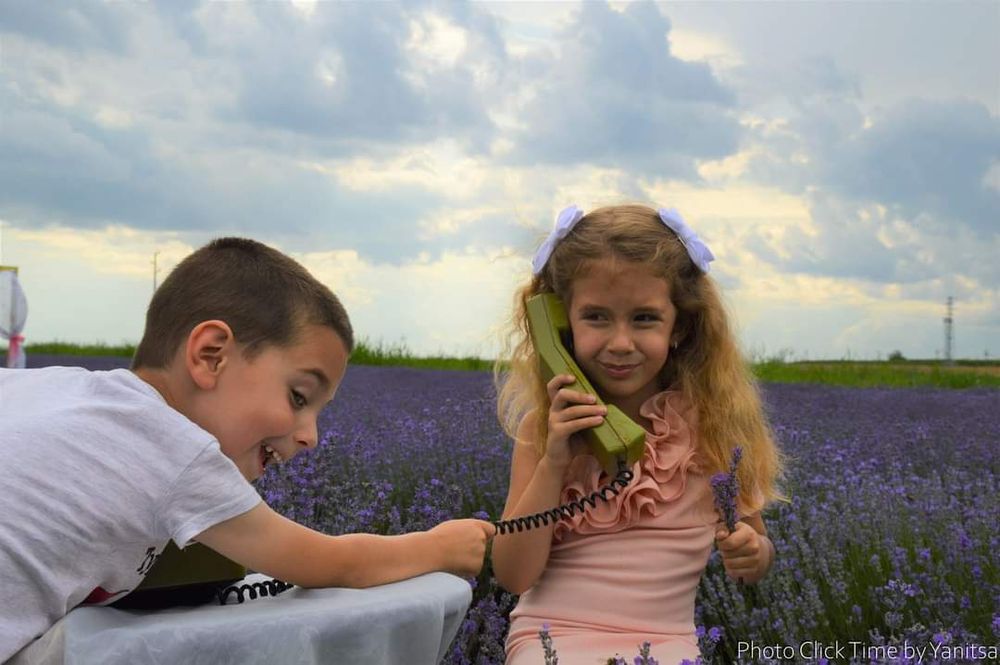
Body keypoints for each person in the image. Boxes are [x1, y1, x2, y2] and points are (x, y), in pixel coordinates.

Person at [0, 237, 495, 661]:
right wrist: (441, 545)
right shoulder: (175, 449)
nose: (311, 436)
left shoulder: (53, 387)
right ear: (210, 355)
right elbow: (327, 564)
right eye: (299, 397)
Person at [491, 204, 783, 664]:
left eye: (644, 318)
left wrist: (753, 553)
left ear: (681, 326)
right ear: (558, 324)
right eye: (597, 317)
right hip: (553, 638)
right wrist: (554, 464)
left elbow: (754, 557)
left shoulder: (716, 428)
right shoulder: (541, 431)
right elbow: (513, 575)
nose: (621, 342)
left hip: (665, 644)